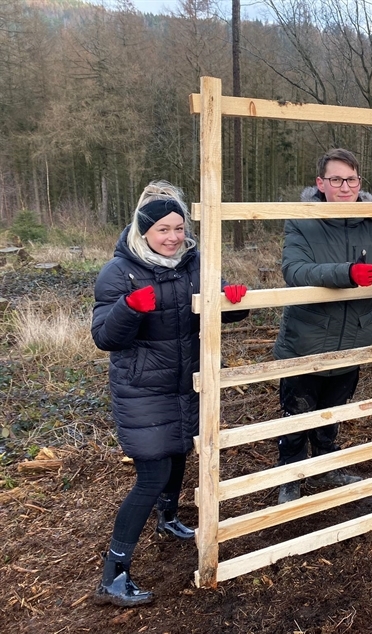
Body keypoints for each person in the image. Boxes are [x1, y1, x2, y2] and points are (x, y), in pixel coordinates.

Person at [91, 181, 249, 606]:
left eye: (179, 227)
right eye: (163, 229)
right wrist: (129, 308)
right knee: (152, 475)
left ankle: (169, 519)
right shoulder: (119, 272)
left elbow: (222, 308)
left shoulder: (196, 262)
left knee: (180, 452)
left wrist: (233, 302)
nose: (173, 237)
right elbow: (105, 337)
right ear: (144, 230)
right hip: (143, 389)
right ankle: (114, 575)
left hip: (188, 383)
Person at [273, 148, 372, 504]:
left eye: (351, 179)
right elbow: (295, 270)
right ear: (320, 183)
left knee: (335, 409)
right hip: (306, 339)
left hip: (354, 336)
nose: (345, 187)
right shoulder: (302, 220)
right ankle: (290, 476)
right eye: (336, 179)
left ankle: (328, 465)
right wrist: (346, 273)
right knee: (297, 411)